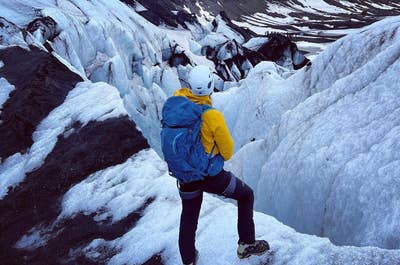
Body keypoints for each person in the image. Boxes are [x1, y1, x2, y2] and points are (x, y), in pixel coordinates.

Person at [162, 65, 270, 265]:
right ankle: (247, 244)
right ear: (211, 86)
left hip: (185, 175)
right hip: (210, 177)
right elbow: (228, 151)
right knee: (246, 195)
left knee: (189, 216)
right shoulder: (211, 116)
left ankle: (188, 260)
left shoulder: (176, 103)